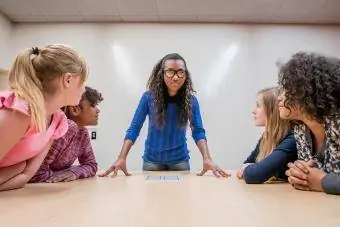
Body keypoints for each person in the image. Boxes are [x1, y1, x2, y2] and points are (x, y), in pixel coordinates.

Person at [100, 53, 228, 178]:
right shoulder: (148, 98)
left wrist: (207, 158)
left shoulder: (191, 101)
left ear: (186, 75)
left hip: (180, 162)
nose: (176, 77)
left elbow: (198, 131)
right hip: (152, 162)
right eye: (170, 71)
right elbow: (134, 128)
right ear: (162, 74)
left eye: (180, 72)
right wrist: (121, 158)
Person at [0, 44, 87, 191]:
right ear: (68, 80)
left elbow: (25, 175)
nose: (84, 89)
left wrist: (15, 172)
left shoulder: (58, 121)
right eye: (82, 82)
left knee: (19, 166)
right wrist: (13, 173)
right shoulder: (19, 110)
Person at [278, 52, 340, 195]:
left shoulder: (337, 122)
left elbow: (319, 179)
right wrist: (298, 175)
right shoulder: (301, 129)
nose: (279, 98)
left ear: (309, 93)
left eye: (287, 90)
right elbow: (309, 176)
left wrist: (323, 181)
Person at [29, 86, 102, 183]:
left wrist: (74, 172)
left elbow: (91, 165)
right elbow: (36, 174)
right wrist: (65, 173)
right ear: (74, 110)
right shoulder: (67, 127)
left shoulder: (82, 132)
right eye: (93, 105)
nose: (98, 110)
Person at [236, 87, 297, 183]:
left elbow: (254, 174)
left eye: (258, 106)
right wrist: (249, 169)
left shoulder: (292, 140)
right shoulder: (267, 136)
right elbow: (247, 164)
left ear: (273, 110)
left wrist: (250, 169)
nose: (253, 111)